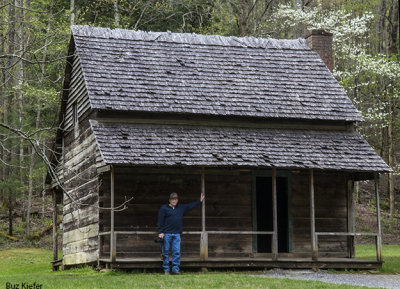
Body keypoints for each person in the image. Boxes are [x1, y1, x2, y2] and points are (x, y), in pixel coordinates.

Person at [157, 192, 204, 275]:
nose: (174, 201)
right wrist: (160, 232)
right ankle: (166, 270)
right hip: (166, 234)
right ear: (169, 200)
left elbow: (190, 206)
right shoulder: (164, 208)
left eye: (175, 199)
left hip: (176, 234)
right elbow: (160, 221)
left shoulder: (181, 208)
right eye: (172, 199)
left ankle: (175, 269)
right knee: (165, 252)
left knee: (176, 252)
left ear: (177, 200)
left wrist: (199, 201)